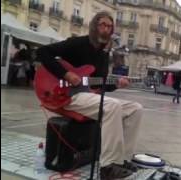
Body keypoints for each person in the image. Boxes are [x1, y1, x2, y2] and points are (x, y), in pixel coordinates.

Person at [36, 11, 142, 179]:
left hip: (86, 96)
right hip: (68, 95)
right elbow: (42, 52)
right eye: (102, 25)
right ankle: (108, 166)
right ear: (94, 26)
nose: (106, 29)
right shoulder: (78, 43)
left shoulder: (103, 55)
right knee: (111, 106)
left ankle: (122, 160)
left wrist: (116, 85)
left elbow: (98, 85)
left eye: (109, 26)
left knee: (135, 108)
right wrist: (66, 74)